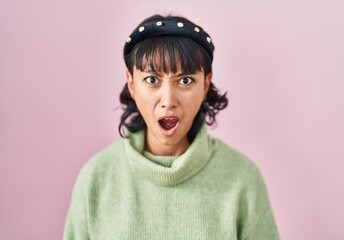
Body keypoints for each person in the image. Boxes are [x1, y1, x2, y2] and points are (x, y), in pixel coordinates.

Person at [63, 14, 280, 240]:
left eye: (185, 80)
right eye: (152, 79)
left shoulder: (242, 178)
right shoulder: (96, 178)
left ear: (205, 85)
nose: (168, 100)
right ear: (132, 84)